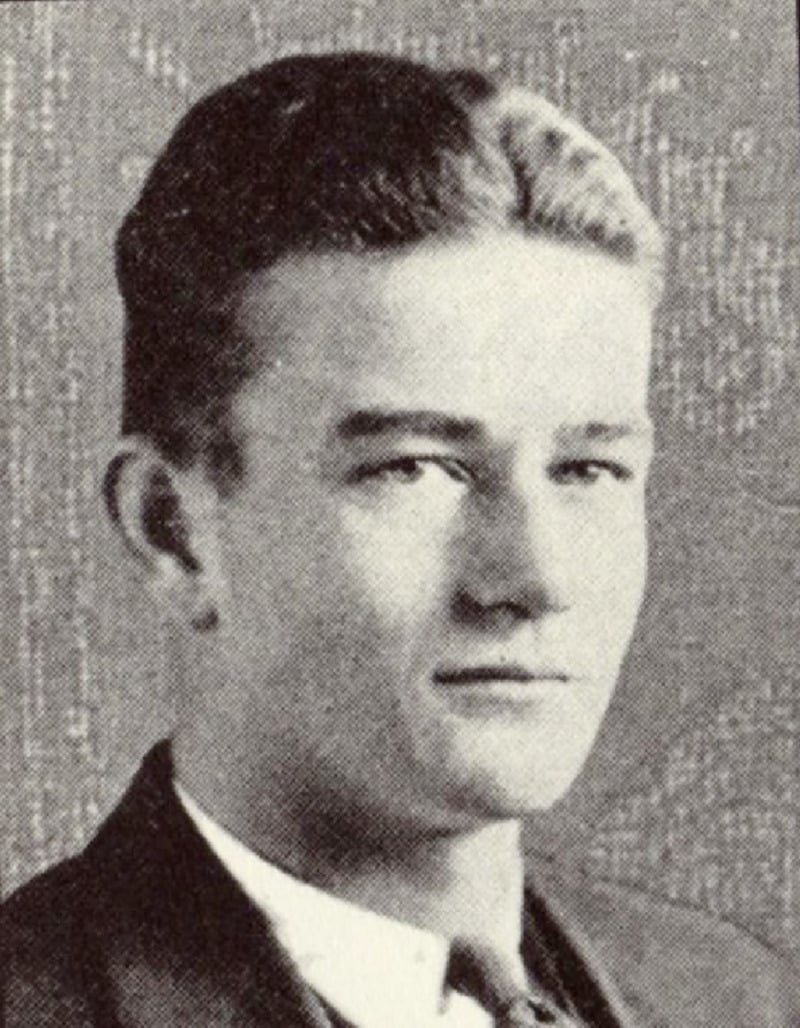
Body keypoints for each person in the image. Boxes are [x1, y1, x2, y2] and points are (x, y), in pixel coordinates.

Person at [1, 52, 797, 1028]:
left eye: (587, 469)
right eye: (413, 467)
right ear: (174, 531)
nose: (534, 577)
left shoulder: (736, 997)